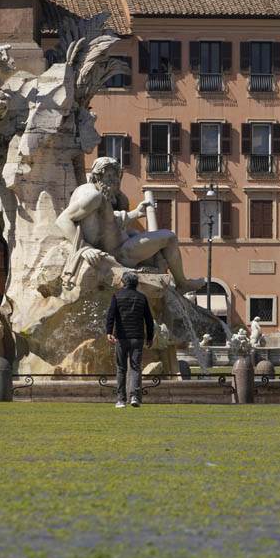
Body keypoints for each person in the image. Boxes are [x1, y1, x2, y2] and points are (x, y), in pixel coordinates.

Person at [56, 157, 203, 292]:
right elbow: (62, 220)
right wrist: (84, 248)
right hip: (121, 253)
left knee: (141, 237)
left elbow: (108, 222)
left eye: (116, 177)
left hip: (121, 243)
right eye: (109, 176)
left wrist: (135, 213)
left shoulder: (97, 194)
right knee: (169, 237)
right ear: (97, 176)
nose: (114, 181)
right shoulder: (93, 196)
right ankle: (182, 284)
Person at [105, 271, 154, 408]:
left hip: (121, 337)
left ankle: (121, 399)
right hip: (137, 337)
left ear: (124, 282)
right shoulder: (142, 298)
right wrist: (150, 337)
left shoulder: (117, 296)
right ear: (136, 283)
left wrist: (109, 331)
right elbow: (149, 320)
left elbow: (111, 315)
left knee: (121, 368)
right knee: (136, 368)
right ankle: (134, 397)